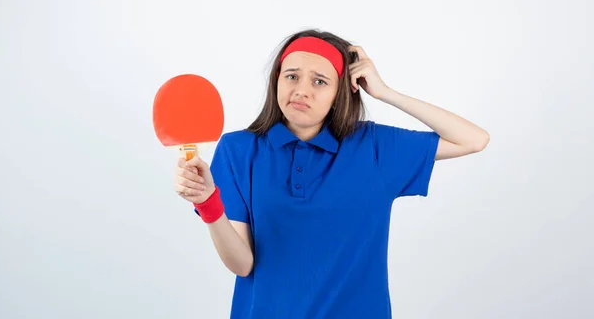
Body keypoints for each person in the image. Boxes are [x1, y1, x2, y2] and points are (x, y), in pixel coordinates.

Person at [173, 29, 489, 318]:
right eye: (292, 76)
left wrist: (385, 92)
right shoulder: (238, 150)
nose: (301, 90)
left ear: (342, 92)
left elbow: (474, 139)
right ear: (277, 80)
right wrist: (208, 201)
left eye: (320, 81)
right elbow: (243, 265)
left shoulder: (374, 146)